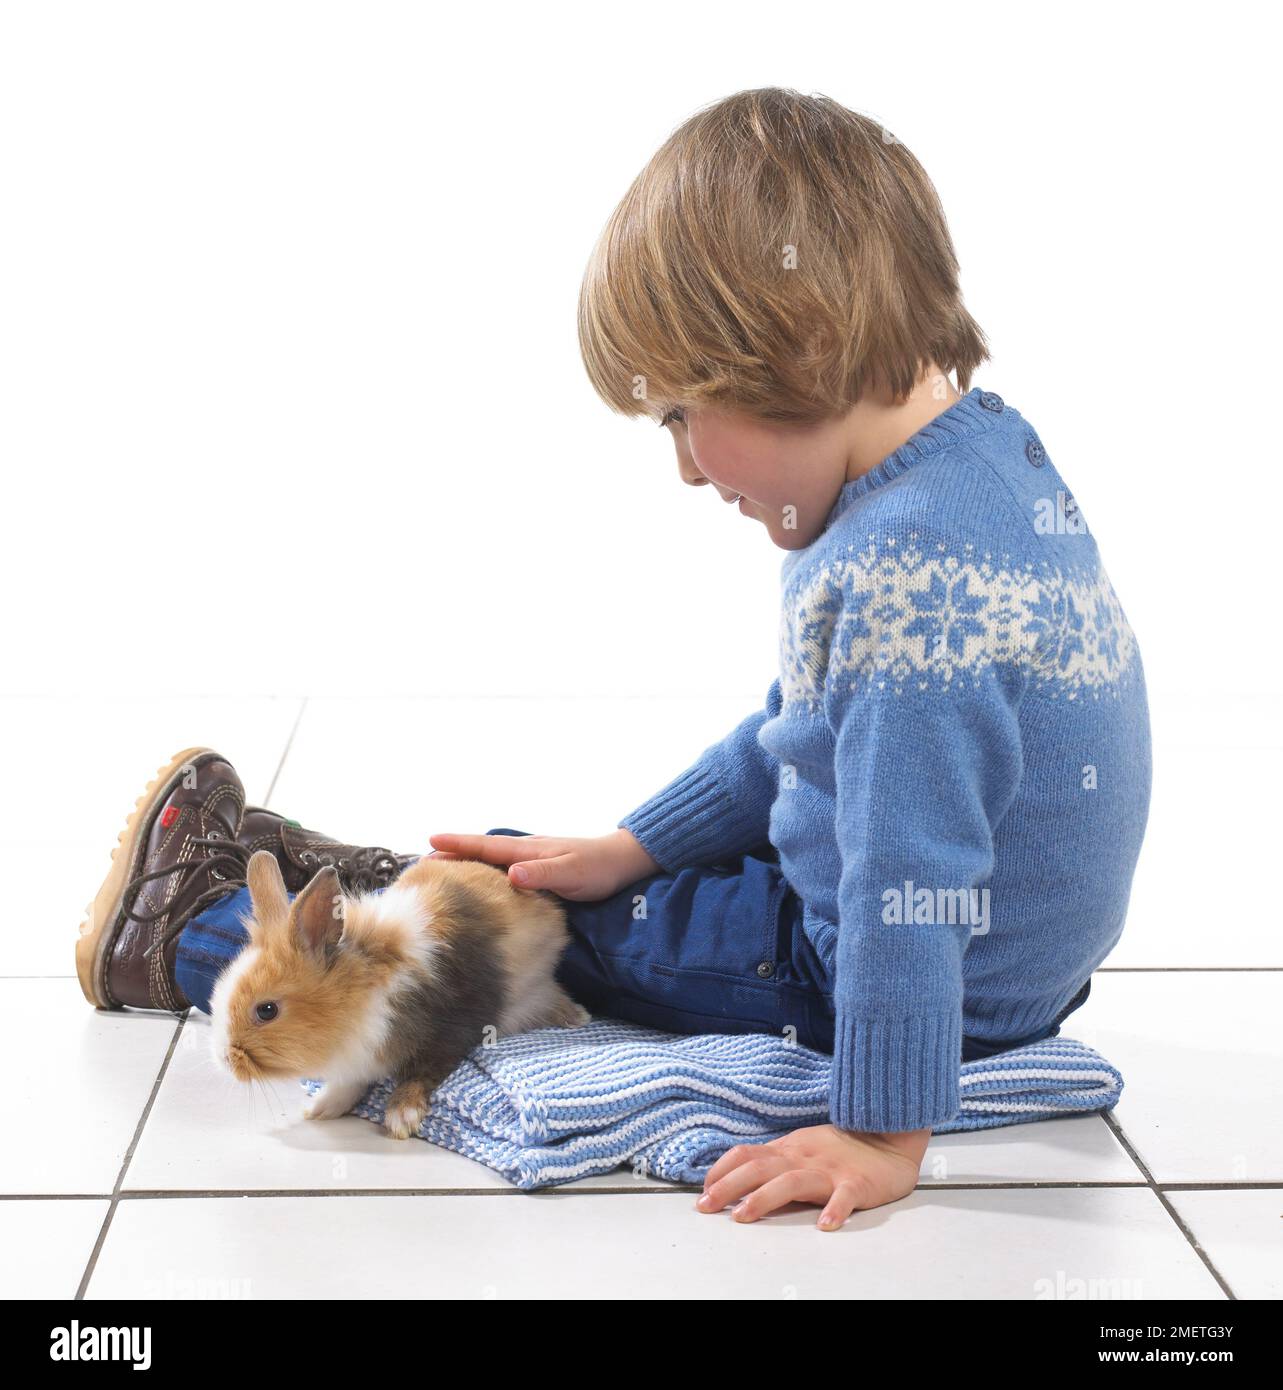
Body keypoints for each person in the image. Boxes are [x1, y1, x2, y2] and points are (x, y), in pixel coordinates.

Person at [76, 88, 1151, 1230]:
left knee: (503, 942)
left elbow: (904, 878)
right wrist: (634, 846)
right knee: (547, 876)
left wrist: (881, 1131)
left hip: (910, 973)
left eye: (681, 414)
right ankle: (324, 882)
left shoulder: (898, 584)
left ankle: (181, 928)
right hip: (1005, 948)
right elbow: (809, 730)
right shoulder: (975, 461)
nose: (685, 466)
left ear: (804, 349)